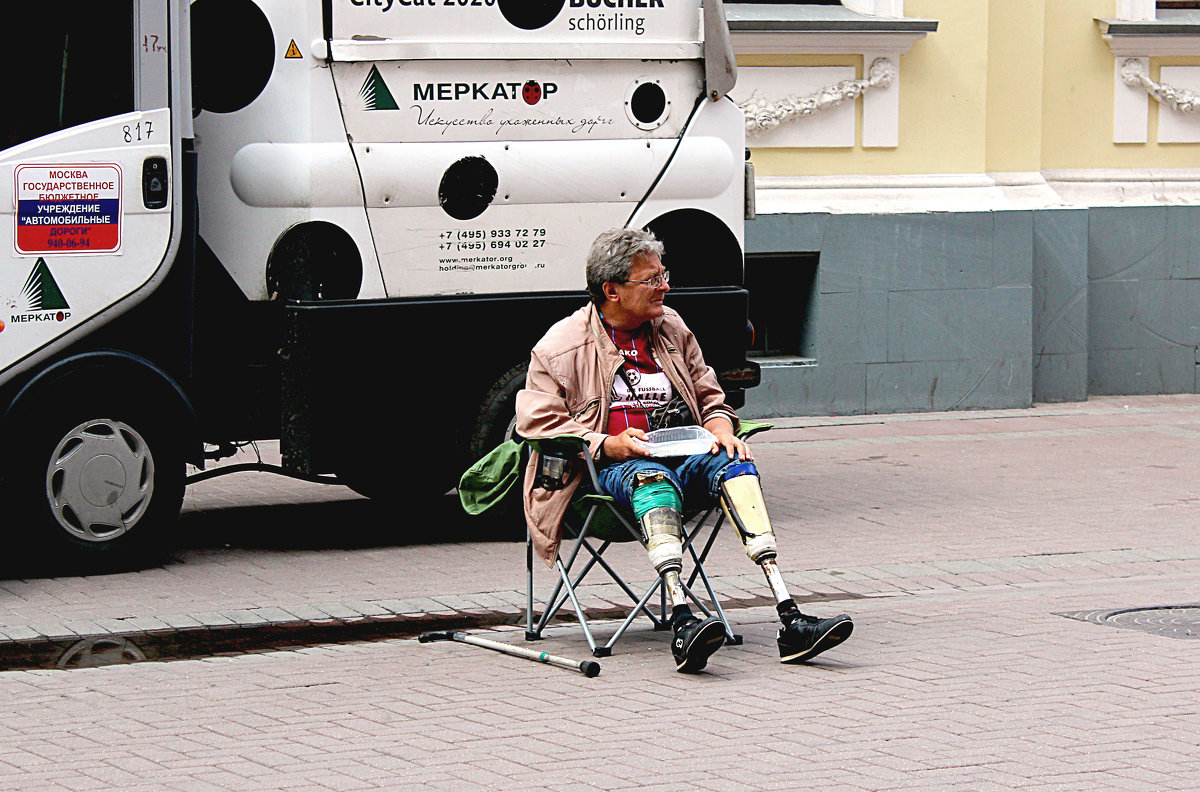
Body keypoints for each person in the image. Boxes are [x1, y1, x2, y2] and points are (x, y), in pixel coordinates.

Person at [516, 227, 852, 673]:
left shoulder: (670, 326)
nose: (665, 287)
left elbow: (711, 397)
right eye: (651, 280)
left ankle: (790, 617)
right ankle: (682, 619)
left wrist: (720, 428)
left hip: (685, 455)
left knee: (736, 464)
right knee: (650, 476)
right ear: (611, 290)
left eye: (663, 275)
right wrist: (606, 443)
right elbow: (538, 423)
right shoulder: (560, 346)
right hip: (611, 473)